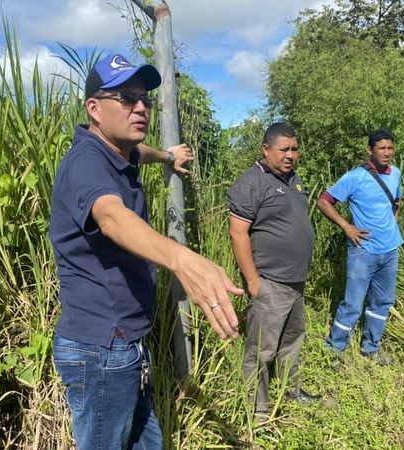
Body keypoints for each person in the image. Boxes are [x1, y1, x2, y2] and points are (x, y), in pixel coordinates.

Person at [49, 53, 243, 450]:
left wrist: (169, 156)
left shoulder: (119, 152)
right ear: (94, 109)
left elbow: (143, 153)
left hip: (125, 344)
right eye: (125, 98)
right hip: (101, 350)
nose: (140, 107)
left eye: (144, 98)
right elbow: (110, 216)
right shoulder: (86, 162)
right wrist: (182, 259)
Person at [227, 122, 319, 420]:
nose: (290, 155)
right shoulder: (252, 182)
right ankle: (259, 413)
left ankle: (290, 391)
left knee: (292, 340)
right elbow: (238, 233)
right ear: (265, 150)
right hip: (270, 282)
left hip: (295, 282)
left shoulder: (294, 180)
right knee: (261, 351)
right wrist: (253, 282)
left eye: (295, 149)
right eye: (284, 149)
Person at [317, 129, 403, 366]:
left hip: (390, 250)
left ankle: (371, 348)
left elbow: (397, 201)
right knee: (353, 304)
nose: (387, 153)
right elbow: (323, 201)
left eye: (390, 148)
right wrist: (347, 227)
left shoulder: (396, 173)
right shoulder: (355, 177)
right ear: (369, 150)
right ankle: (334, 350)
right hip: (363, 250)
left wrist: (392, 222)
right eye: (381, 148)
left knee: (382, 302)